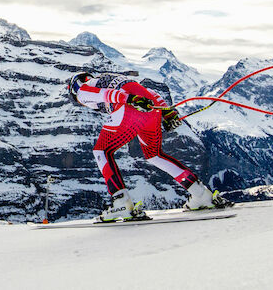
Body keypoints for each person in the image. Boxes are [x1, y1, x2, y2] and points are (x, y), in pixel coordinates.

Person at [67, 72, 231, 222]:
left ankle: (121, 203)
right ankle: (200, 193)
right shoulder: (109, 77)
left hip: (130, 108)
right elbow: (153, 94)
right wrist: (168, 112)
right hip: (151, 109)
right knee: (155, 155)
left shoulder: (82, 91)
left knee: (102, 150)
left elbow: (106, 94)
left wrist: (130, 100)